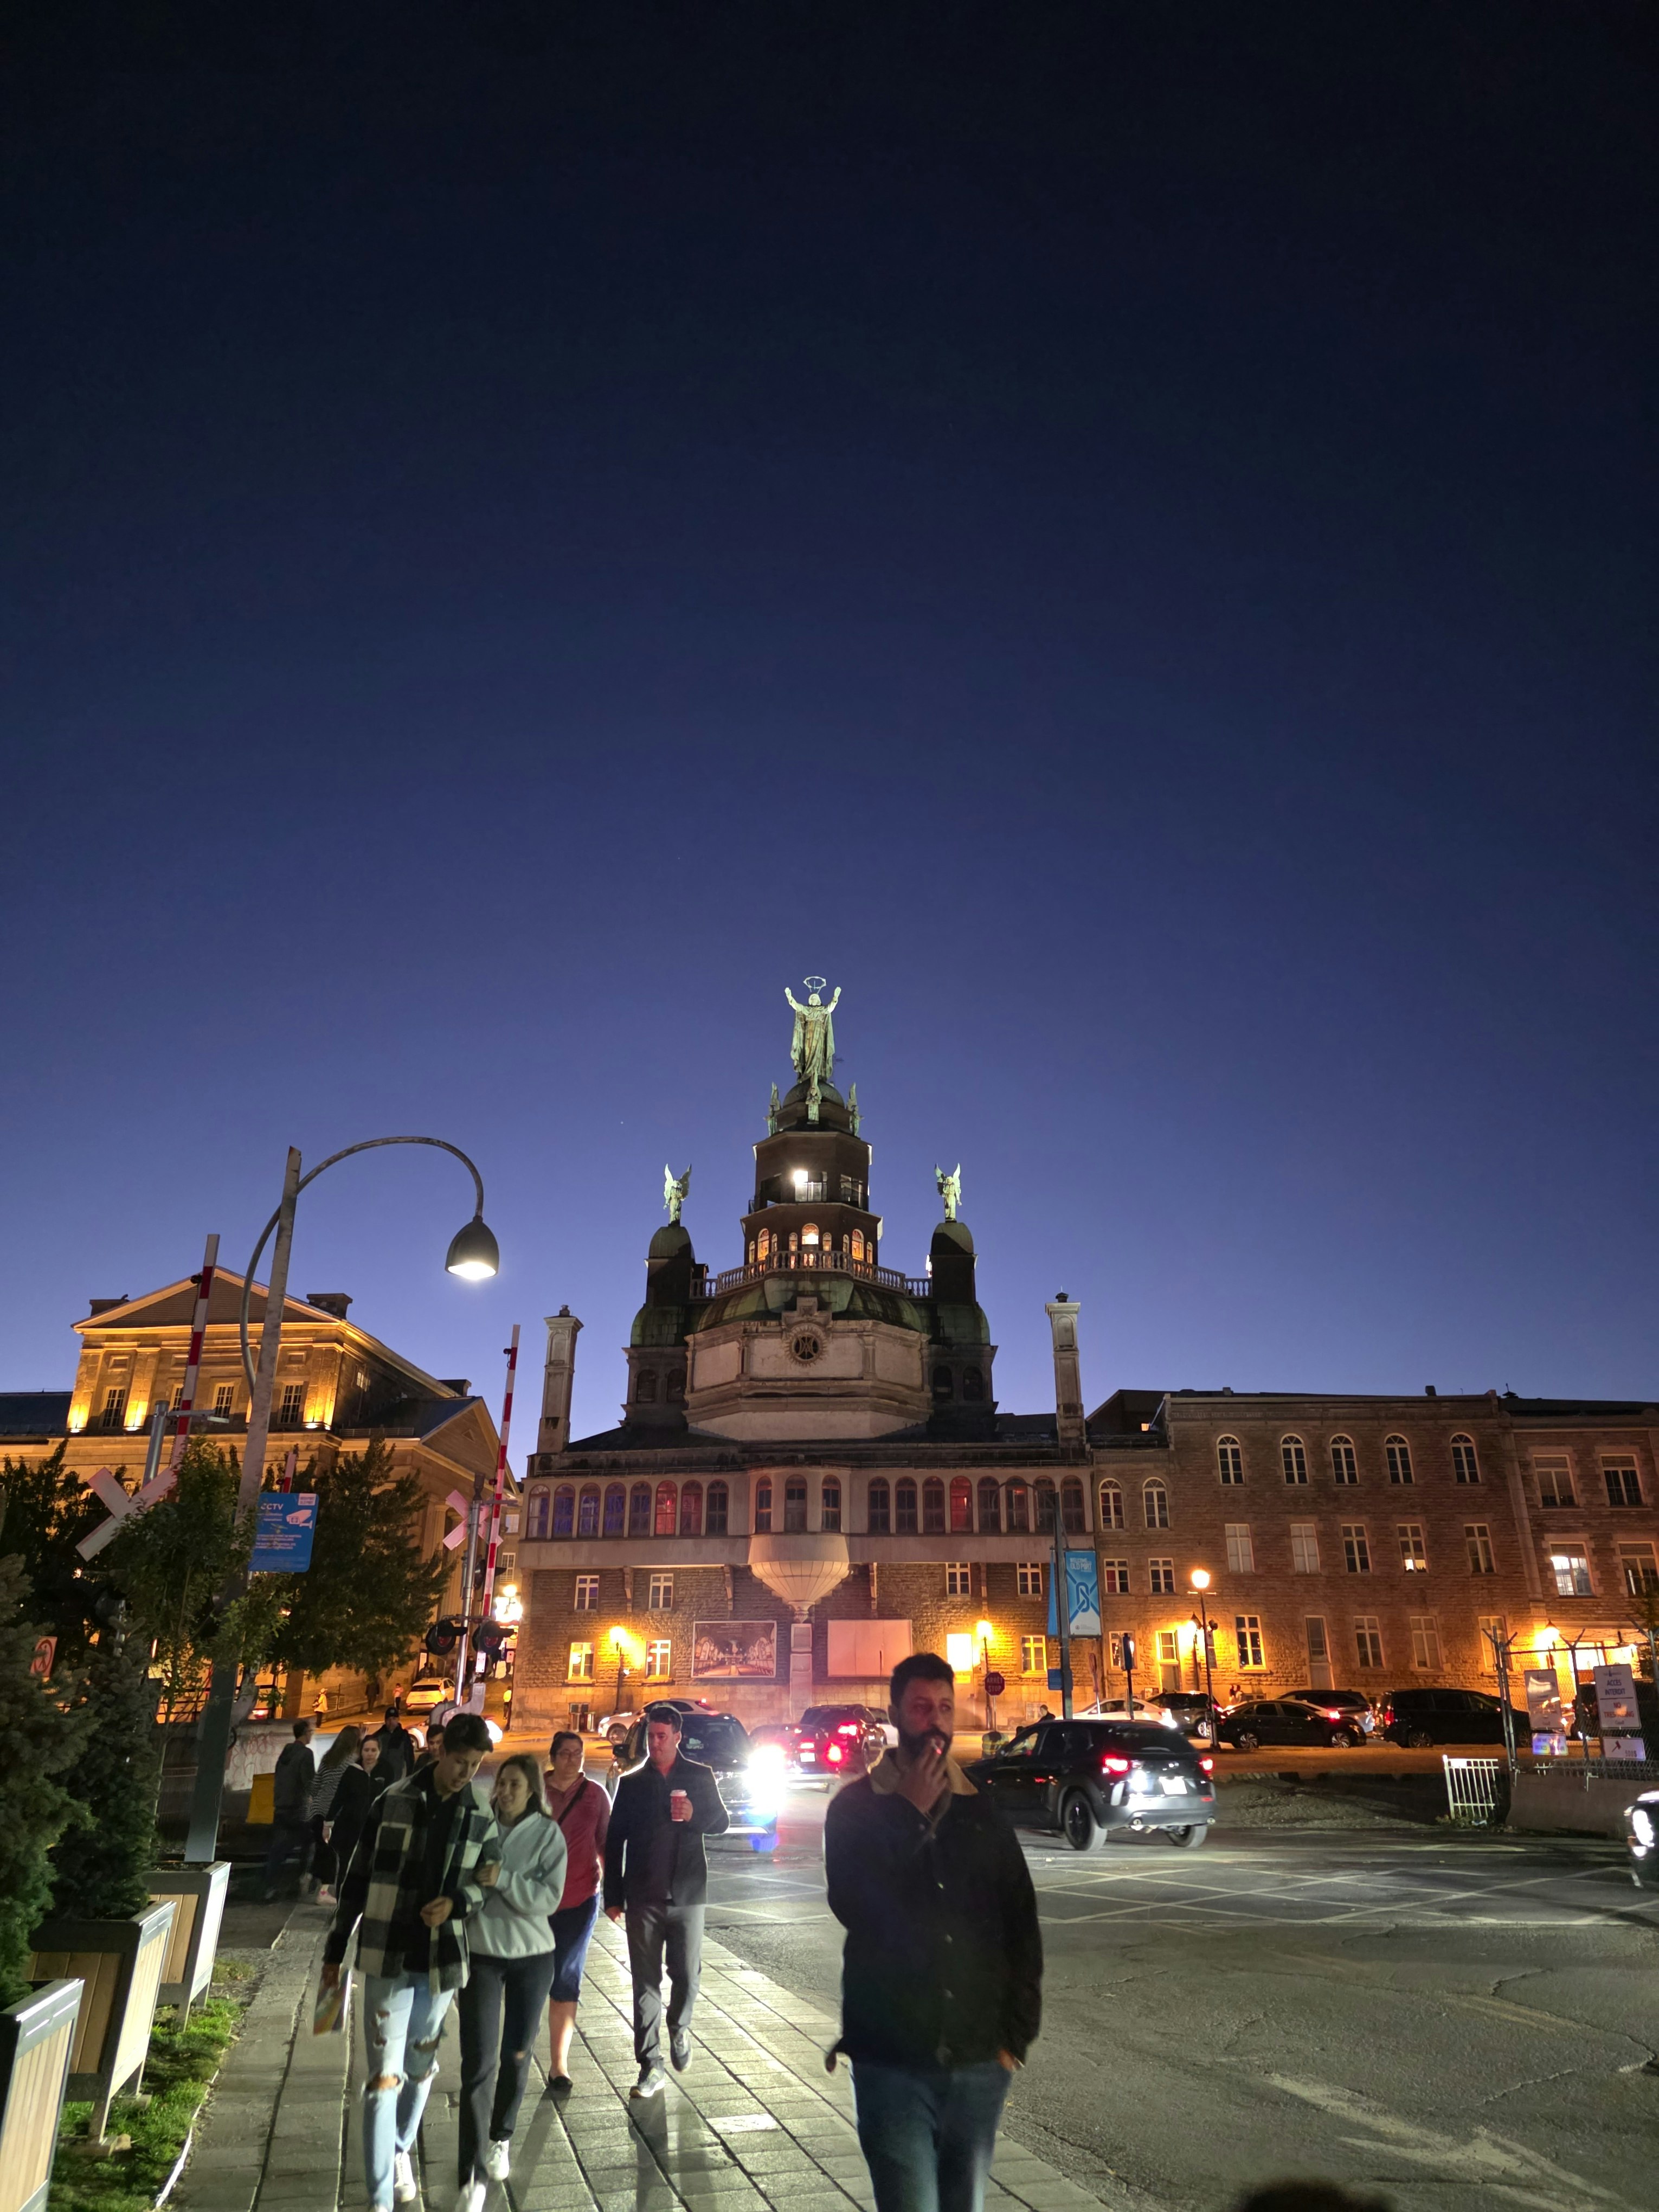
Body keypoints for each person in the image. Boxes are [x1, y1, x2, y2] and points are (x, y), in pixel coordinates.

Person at [824, 1652, 1041, 2212]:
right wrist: (908, 1817)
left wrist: (1013, 2040)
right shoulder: (857, 1808)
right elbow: (854, 1904)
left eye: (945, 1707)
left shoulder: (982, 1813)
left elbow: (1020, 1922)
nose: (937, 1720)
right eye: (922, 1707)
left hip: (977, 2063)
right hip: (891, 2061)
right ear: (897, 1713)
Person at [321, 1713, 503, 2212]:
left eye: (475, 1765)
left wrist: (457, 1903)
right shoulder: (393, 1799)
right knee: (383, 2078)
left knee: (420, 2069)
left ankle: (400, 2148)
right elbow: (357, 1877)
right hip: (386, 1953)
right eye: (461, 1762)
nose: (467, 1773)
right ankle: (378, 2198)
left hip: (442, 1961)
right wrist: (336, 1949)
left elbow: (487, 1881)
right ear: (441, 1751)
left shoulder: (479, 1813)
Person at [454, 1755, 568, 2211]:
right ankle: (472, 2174)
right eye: (501, 1783)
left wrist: (504, 1880)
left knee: (517, 2054)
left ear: (532, 1790)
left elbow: (549, 1898)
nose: (504, 1792)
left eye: (515, 1785)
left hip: (531, 1958)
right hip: (481, 1956)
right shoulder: (480, 1825)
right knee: (478, 2061)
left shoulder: (547, 1834)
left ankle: (501, 2135)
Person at [602, 1701, 729, 2098]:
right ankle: (650, 2065)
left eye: (662, 1737)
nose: (655, 1744)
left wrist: (694, 1815)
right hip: (643, 1897)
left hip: (688, 1895)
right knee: (645, 1982)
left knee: (688, 1976)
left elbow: (722, 1823)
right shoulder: (633, 1783)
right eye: (651, 1737)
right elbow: (614, 1839)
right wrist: (613, 1896)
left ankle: (679, 2025)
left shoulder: (700, 1776)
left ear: (677, 1737)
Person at [543, 1728, 610, 2094]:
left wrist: (614, 1892)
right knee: (534, 1977)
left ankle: (559, 2065)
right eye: (566, 1753)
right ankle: (520, 2052)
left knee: (566, 1977)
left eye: (578, 1753)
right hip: (534, 1902)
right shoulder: (534, 1791)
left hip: (581, 1897)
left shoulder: (595, 1796)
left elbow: (605, 1842)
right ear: (553, 1757)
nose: (573, 1759)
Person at [326, 1731, 389, 1896]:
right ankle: (342, 1901)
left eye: (373, 1750)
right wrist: (328, 1821)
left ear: (379, 1752)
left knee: (370, 1867)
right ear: (361, 1752)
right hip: (350, 1828)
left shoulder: (386, 1770)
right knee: (347, 1867)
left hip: (374, 1828)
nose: (369, 1754)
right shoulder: (352, 1772)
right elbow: (339, 1797)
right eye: (366, 1750)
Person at [262, 1718, 317, 1900]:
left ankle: (271, 1887)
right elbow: (309, 1782)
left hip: (281, 1807)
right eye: (310, 1732)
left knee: (278, 1850)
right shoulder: (306, 1754)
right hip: (297, 1808)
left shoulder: (285, 1753)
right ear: (305, 1734)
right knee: (310, 1843)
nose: (311, 1735)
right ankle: (300, 1882)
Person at [369, 1704, 416, 1784]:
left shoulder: (403, 1736)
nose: (391, 1722)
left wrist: (409, 1777)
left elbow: (409, 1758)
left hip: (397, 1779)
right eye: (389, 1719)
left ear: (398, 1719)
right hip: (380, 1779)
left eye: (394, 1719)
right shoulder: (379, 1735)